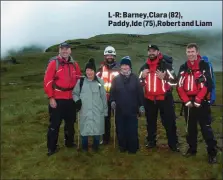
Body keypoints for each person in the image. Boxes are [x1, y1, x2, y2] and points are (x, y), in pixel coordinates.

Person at [176, 43, 218, 164]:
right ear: (186, 53)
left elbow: (208, 84)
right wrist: (186, 101)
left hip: (202, 102)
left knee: (206, 128)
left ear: (197, 52)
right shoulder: (183, 67)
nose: (190, 54)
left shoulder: (204, 65)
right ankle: (192, 149)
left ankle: (212, 152)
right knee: (190, 128)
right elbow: (179, 86)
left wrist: (199, 99)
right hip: (188, 103)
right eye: (188, 52)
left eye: (192, 51)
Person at [139, 44, 179, 152]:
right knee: (150, 122)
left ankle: (173, 144)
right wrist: (142, 77)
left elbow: (175, 81)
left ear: (158, 52)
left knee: (169, 122)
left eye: (153, 51)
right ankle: (151, 141)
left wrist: (165, 77)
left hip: (164, 99)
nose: (151, 53)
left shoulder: (166, 66)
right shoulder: (144, 67)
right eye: (149, 51)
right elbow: (139, 83)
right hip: (149, 99)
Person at [43, 42, 82, 156]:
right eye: (62, 49)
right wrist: (51, 98)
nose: (65, 51)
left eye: (67, 49)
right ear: (59, 50)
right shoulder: (53, 64)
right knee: (54, 125)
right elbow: (48, 81)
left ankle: (69, 143)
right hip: (57, 99)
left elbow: (79, 81)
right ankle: (51, 147)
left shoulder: (75, 65)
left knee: (70, 123)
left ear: (70, 50)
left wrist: (78, 98)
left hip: (71, 99)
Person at [110, 56, 144, 153]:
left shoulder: (135, 78)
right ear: (120, 67)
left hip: (132, 110)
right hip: (119, 110)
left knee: (132, 129)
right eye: (123, 65)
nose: (125, 67)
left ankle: (133, 147)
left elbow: (140, 93)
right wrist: (112, 101)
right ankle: (122, 146)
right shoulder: (116, 79)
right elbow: (112, 93)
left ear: (130, 67)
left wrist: (141, 106)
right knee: (121, 129)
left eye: (127, 65)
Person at [72, 58, 108, 152]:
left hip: (97, 111)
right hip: (85, 111)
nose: (89, 72)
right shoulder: (81, 82)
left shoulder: (100, 82)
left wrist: (105, 111)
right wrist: (77, 101)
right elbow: (74, 94)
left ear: (94, 71)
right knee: (85, 130)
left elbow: (104, 98)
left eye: (91, 70)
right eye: (87, 70)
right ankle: (84, 148)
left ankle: (95, 147)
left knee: (97, 131)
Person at [96, 46, 120, 145]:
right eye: (107, 55)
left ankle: (120, 137)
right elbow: (95, 81)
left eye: (111, 55)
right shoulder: (101, 69)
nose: (109, 56)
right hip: (104, 98)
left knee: (118, 119)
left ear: (114, 56)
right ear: (105, 56)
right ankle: (106, 139)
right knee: (105, 119)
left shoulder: (119, 68)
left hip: (117, 97)